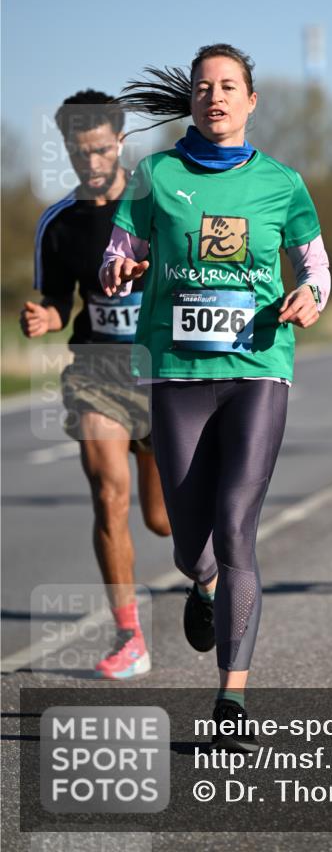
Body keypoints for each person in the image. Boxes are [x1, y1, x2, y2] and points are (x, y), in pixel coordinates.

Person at [99, 43, 330, 746]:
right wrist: (121, 268)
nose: (215, 96)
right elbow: (117, 251)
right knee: (190, 544)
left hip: (259, 366)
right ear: (192, 100)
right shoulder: (154, 176)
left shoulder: (283, 183)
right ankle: (199, 586)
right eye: (203, 87)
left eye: (229, 86)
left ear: (251, 100)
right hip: (175, 374)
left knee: (236, 528)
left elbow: (316, 267)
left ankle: (232, 700)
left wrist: (309, 296)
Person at [20, 90, 171, 678]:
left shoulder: (160, 205)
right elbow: (60, 301)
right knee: (109, 493)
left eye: (101, 149)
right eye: (79, 151)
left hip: (161, 372)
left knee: (162, 520)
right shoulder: (59, 223)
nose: (91, 161)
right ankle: (129, 636)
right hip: (98, 373)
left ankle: (207, 577)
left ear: (121, 142)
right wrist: (45, 316)